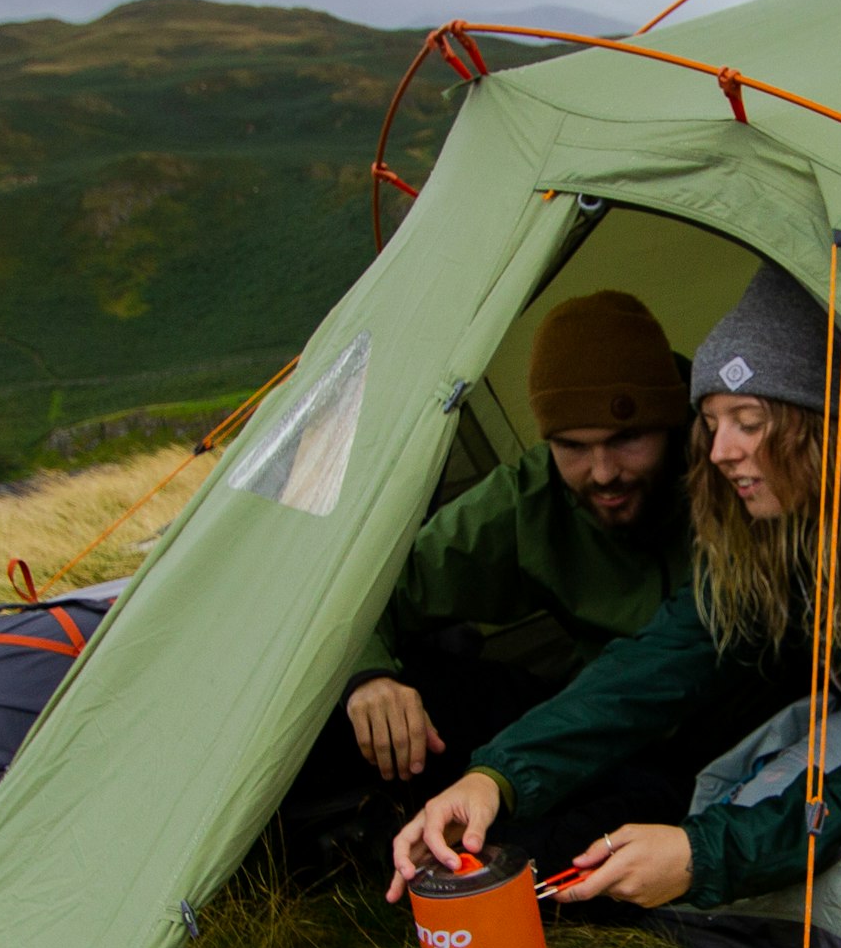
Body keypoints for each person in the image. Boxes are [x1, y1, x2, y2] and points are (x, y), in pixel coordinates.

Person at [388, 263, 841, 948]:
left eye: (749, 420)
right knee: (730, 799)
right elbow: (651, 669)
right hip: (838, 726)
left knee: (770, 829)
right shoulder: (774, 530)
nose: (720, 453)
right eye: (714, 424)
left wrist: (699, 858)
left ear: (821, 422)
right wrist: (494, 774)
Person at [278, 289, 714, 866]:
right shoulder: (532, 500)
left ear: (671, 422)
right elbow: (370, 588)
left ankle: (441, 859)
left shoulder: (736, 479)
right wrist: (369, 678)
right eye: (573, 447)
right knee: (420, 683)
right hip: (586, 724)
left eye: (627, 440)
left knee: (573, 838)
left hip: (704, 750)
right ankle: (318, 836)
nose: (604, 473)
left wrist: (500, 773)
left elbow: (653, 678)